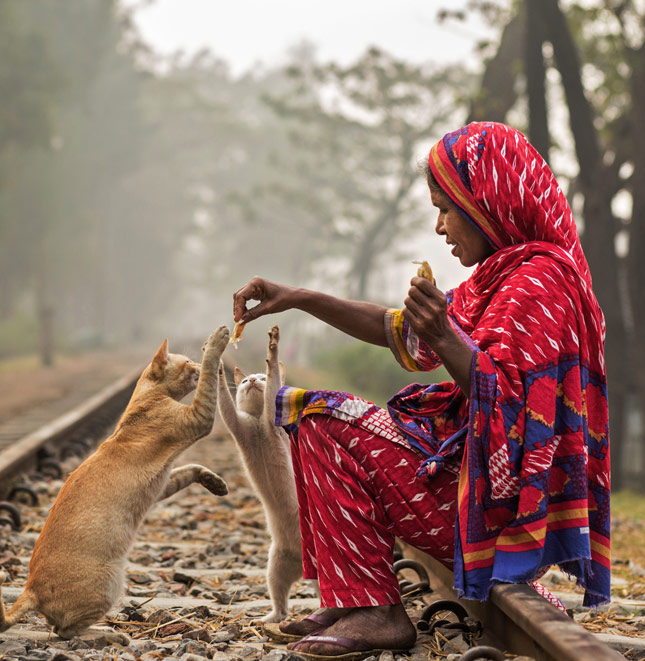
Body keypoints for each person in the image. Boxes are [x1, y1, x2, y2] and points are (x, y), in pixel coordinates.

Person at [231, 121, 611, 658]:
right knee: (320, 414)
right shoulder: (503, 276)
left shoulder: (539, 280)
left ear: (487, 203)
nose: (439, 227)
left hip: (491, 512)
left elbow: (514, 411)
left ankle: (377, 611)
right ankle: (356, 599)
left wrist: (444, 338)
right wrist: (299, 297)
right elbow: (397, 332)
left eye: (446, 208)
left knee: (318, 417)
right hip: (468, 493)